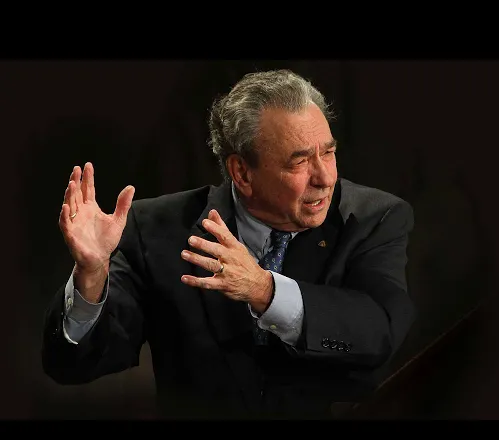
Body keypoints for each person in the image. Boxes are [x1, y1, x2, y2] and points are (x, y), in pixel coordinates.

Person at [41, 69, 416, 419]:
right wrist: (92, 275)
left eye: (328, 152)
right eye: (300, 162)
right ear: (242, 172)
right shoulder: (157, 229)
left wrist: (264, 290)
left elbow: (379, 332)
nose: (325, 177)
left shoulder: (374, 218)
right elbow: (71, 365)